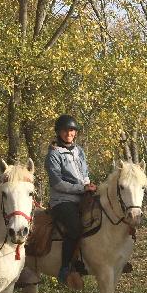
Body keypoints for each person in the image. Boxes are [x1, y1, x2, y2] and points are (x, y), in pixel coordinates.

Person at [46, 114, 96, 283]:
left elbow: (85, 174)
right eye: (65, 130)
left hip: (82, 194)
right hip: (62, 201)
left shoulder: (79, 151)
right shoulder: (53, 155)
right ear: (59, 132)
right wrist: (81, 189)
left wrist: (88, 186)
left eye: (72, 130)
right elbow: (57, 183)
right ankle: (65, 267)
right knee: (75, 228)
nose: (69, 133)